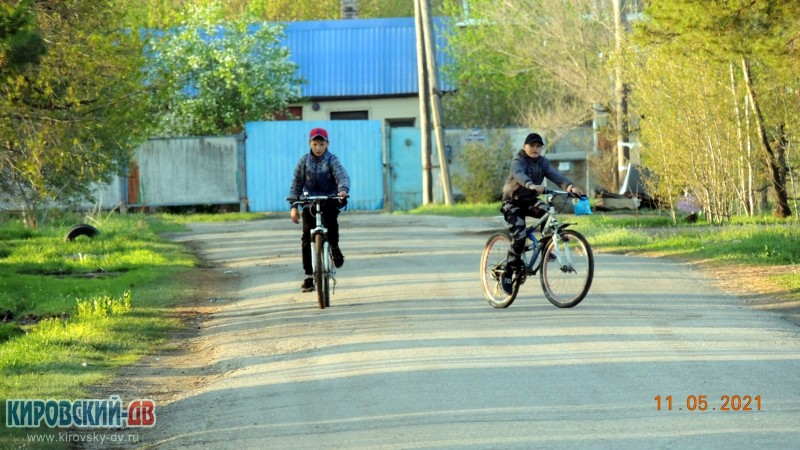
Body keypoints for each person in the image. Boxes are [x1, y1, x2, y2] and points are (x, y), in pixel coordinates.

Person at [499, 132, 584, 295]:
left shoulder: (542, 162)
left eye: (539, 146)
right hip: (513, 202)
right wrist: (531, 185)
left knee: (550, 218)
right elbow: (519, 175)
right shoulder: (518, 160)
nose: (535, 149)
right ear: (525, 146)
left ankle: (545, 247)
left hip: (530, 200)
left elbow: (555, 176)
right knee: (519, 237)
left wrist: (570, 187)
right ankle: (508, 273)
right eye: (532, 146)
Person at [288, 127, 350, 292]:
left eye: (321, 144)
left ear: (327, 144)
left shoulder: (332, 160)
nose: (318, 147)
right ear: (310, 144)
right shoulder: (304, 161)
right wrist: (294, 206)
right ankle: (309, 276)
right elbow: (296, 184)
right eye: (315, 144)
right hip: (309, 203)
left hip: (329, 199)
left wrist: (342, 190)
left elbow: (342, 176)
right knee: (306, 237)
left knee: (331, 223)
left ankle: (335, 248)